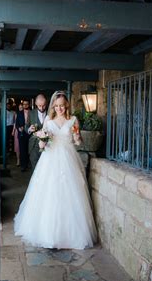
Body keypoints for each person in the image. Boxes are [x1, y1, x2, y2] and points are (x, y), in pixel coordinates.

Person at [14, 91, 97, 249]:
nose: (59, 108)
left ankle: (70, 234)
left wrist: (78, 136)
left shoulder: (73, 120)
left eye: (62, 106)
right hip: (50, 159)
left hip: (68, 158)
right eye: (57, 106)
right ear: (53, 106)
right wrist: (43, 140)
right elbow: (41, 145)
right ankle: (48, 233)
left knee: (70, 193)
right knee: (49, 193)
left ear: (66, 105)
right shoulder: (48, 120)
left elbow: (78, 142)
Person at [26, 94, 47, 169]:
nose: (41, 108)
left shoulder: (51, 114)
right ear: (35, 103)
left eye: (43, 105)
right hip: (33, 145)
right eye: (39, 106)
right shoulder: (31, 113)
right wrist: (29, 129)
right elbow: (26, 126)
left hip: (47, 145)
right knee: (34, 167)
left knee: (45, 168)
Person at [15, 100, 31, 171]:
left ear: (29, 105)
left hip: (30, 133)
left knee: (29, 149)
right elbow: (16, 123)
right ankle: (23, 165)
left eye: (27, 104)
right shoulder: (19, 113)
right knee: (22, 150)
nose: (25, 105)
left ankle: (28, 163)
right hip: (21, 134)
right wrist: (19, 128)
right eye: (24, 104)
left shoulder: (32, 112)